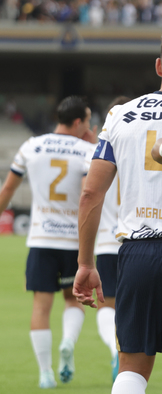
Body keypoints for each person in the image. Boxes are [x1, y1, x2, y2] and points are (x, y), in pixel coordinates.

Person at [72, 27, 162, 394]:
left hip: (136, 253)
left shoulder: (120, 114)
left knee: (131, 368)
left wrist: (86, 264)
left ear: (159, 66)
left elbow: (90, 193)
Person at [0, 96, 95, 388]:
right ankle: (67, 342)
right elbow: (87, 197)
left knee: (41, 307)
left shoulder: (32, 145)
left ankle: (45, 373)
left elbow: (7, 191)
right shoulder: (87, 150)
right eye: (88, 121)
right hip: (72, 241)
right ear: (79, 122)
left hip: (41, 239)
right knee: (73, 301)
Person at [84, 96, 131, 383]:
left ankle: (114, 349)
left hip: (106, 243)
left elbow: (88, 194)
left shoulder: (98, 152)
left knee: (106, 305)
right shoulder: (144, 147)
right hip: (139, 242)